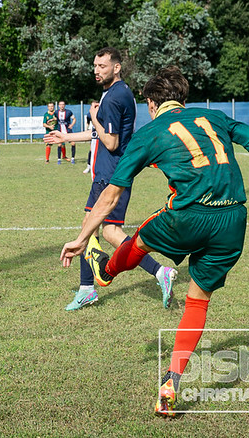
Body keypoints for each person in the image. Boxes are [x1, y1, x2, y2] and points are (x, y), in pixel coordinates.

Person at [58, 66, 249, 416]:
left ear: (150, 103)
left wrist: (82, 237)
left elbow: (111, 195)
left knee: (140, 239)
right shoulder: (215, 116)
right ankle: (171, 381)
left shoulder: (151, 131)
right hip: (232, 220)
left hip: (187, 215)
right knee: (198, 301)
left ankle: (106, 272)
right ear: (183, 99)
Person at [45, 47, 177, 311]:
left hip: (111, 174)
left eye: (102, 66)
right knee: (94, 227)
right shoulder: (115, 93)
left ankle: (158, 272)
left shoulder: (116, 96)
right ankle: (88, 289)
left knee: (106, 231)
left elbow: (112, 142)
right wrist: (67, 137)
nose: (97, 70)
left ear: (117, 67)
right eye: (95, 66)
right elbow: (101, 134)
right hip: (109, 172)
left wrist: (94, 117)